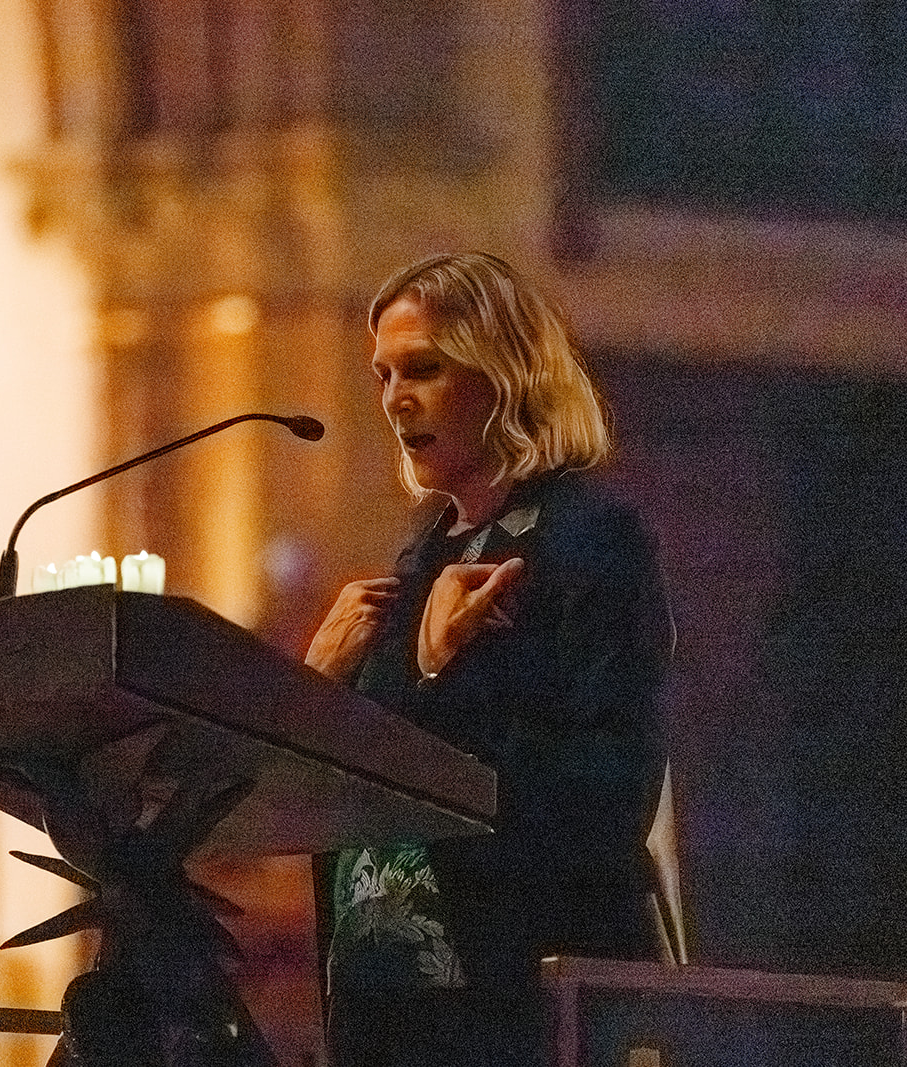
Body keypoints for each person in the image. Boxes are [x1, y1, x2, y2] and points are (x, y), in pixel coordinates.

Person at [305, 252, 671, 1066]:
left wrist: (435, 674)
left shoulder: (586, 541)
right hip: (382, 1004)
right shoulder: (416, 565)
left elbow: (605, 798)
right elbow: (363, 786)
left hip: (509, 1000)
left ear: (501, 374)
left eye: (424, 369)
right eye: (383, 374)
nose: (396, 398)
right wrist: (312, 692)